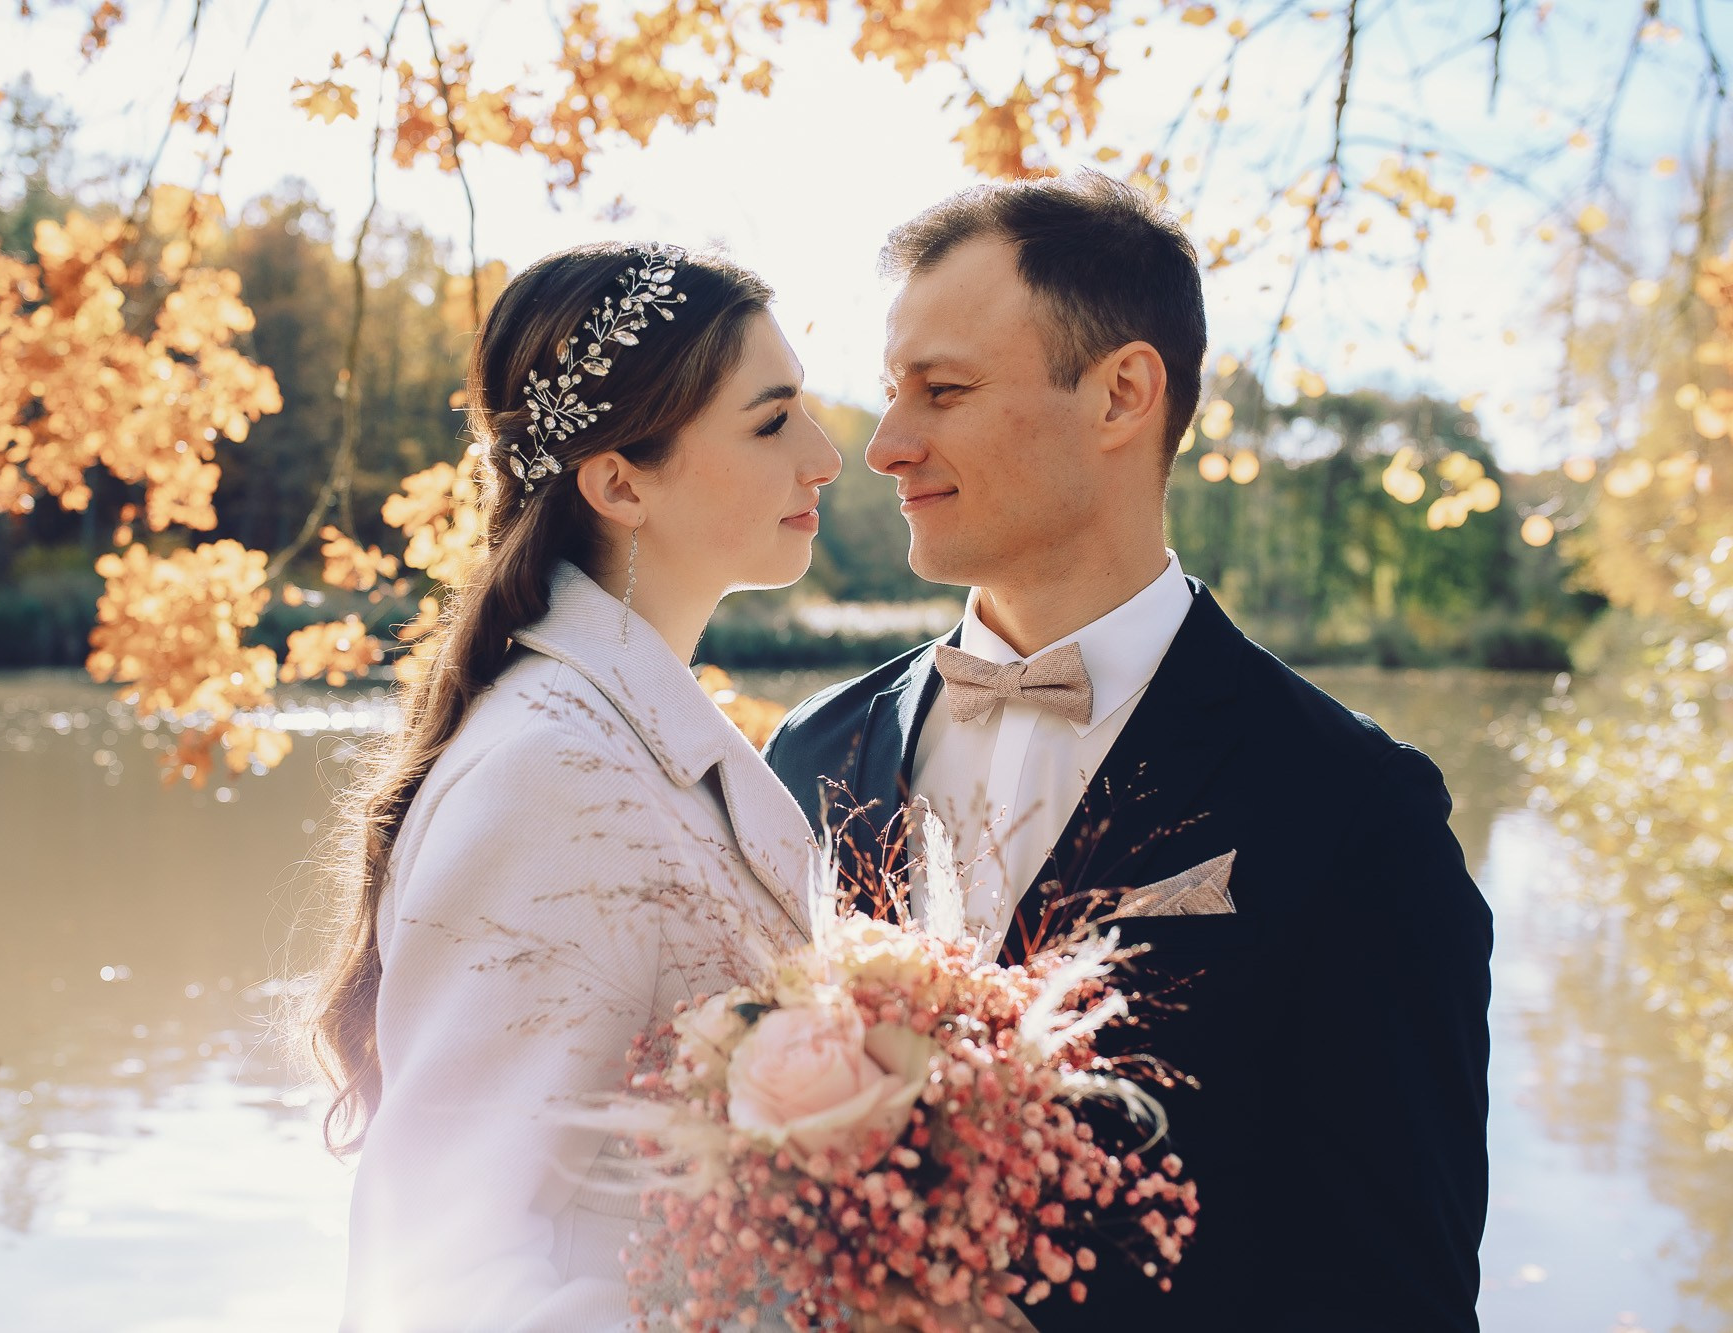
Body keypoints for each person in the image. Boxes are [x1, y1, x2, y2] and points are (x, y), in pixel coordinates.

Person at [764, 175, 1493, 1333]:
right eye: (893, 393)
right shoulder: (807, 754)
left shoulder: (1355, 810)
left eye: (940, 391)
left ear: (1120, 393)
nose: (886, 445)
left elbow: (1390, 1292)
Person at [312, 241, 842, 1331]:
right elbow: (443, 1265)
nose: (826, 454)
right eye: (771, 418)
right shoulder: (549, 775)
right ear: (618, 481)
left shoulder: (637, 734)